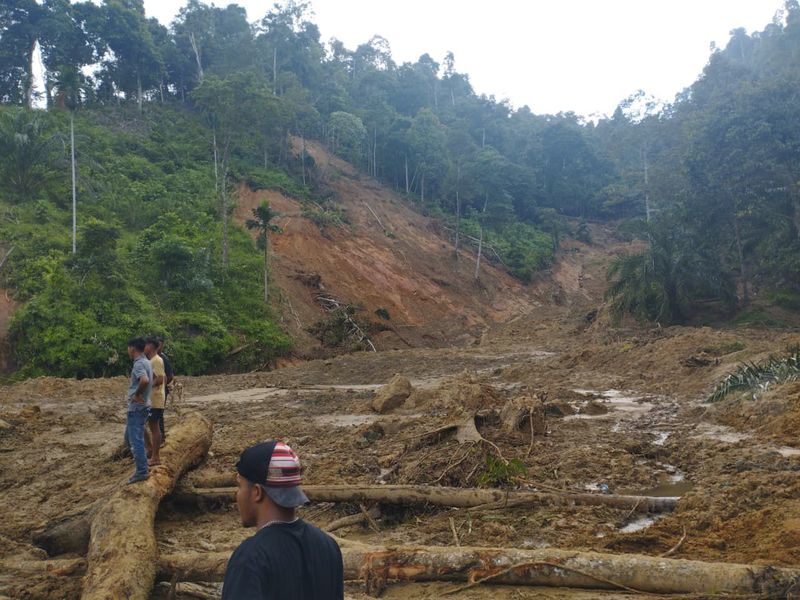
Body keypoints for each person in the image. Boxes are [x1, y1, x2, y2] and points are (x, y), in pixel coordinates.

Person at [221, 441, 344, 600]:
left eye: (240, 486)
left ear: (257, 492)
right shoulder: (328, 546)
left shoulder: (250, 558)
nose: (237, 495)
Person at [125, 337, 152, 484]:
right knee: (129, 438)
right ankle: (142, 463)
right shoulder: (147, 361)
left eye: (128, 348)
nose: (127, 351)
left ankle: (142, 471)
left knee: (136, 441)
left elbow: (145, 380)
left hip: (137, 408)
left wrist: (136, 394)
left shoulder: (139, 364)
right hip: (142, 406)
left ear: (132, 348)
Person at [144, 337, 165, 466]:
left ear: (151, 346)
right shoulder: (151, 360)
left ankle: (156, 456)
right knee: (146, 425)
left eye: (146, 345)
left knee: (154, 427)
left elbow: (160, 379)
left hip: (155, 398)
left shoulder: (156, 360)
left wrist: (145, 385)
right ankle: (151, 449)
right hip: (151, 399)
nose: (144, 347)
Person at [156, 336, 173, 442]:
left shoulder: (163, 358)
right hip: (155, 391)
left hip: (161, 390)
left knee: (159, 414)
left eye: (160, 344)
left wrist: (162, 385)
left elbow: (170, 376)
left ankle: (161, 437)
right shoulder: (152, 358)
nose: (159, 347)